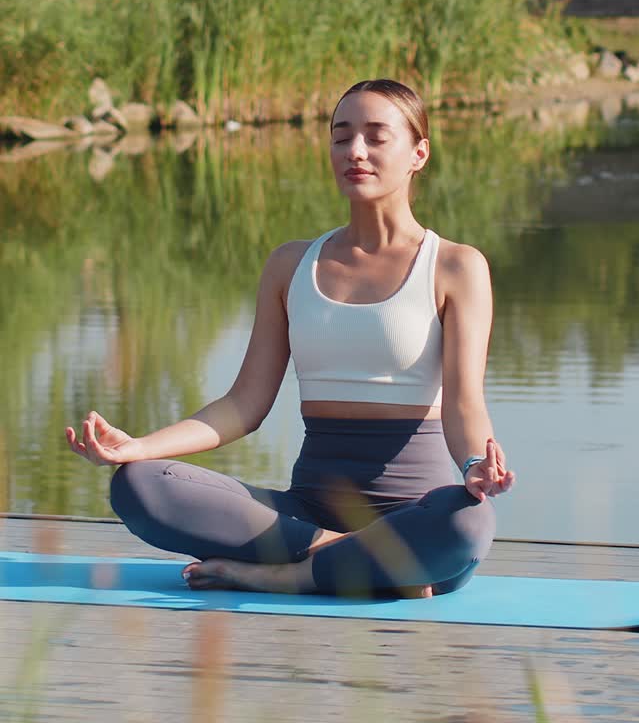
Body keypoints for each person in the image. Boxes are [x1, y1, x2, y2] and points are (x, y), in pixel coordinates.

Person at [66, 79, 515, 599]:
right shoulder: (291, 264)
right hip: (307, 516)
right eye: (341, 136)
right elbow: (244, 404)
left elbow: (463, 406)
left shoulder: (456, 266)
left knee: (466, 525)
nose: (355, 152)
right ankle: (365, 559)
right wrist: (138, 447)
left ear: (419, 153)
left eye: (375, 136)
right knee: (139, 486)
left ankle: (285, 575)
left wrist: (473, 466)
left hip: (416, 516)